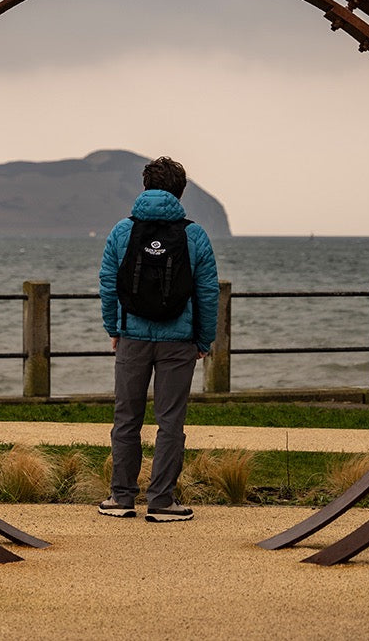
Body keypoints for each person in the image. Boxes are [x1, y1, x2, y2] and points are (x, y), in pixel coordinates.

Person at [97, 156, 219, 522]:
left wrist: (113, 330)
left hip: (131, 337)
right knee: (170, 422)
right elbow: (207, 293)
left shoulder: (122, 231)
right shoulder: (194, 234)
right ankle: (162, 501)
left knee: (126, 419)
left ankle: (121, 498)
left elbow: (107, 285)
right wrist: (203, 339)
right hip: (178, 342)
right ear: (181, 191)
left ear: (145, 186)